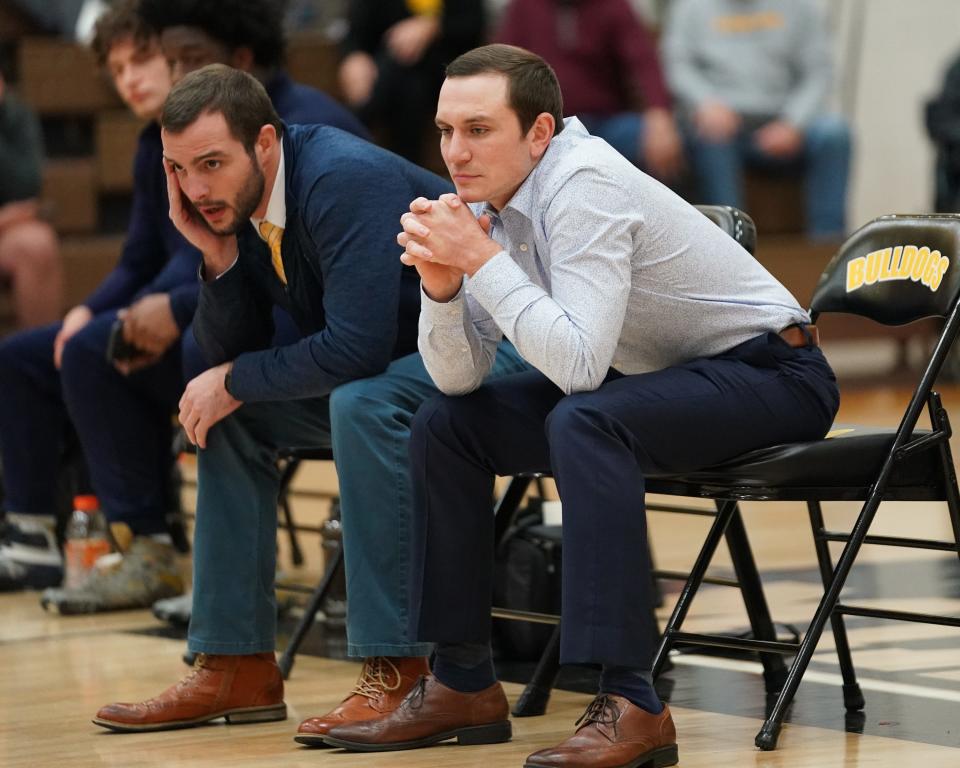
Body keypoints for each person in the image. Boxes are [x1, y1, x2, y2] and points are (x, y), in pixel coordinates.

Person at [319, 44, 840, 767]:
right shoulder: (488, 206)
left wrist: (481, 263)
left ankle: (633, 701)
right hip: (658, 378)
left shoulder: (583, 183)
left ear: (539, 132)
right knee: (445, 426)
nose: (455, 152)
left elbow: (578, 367)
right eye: (445, 131)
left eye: (478, 130)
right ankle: (462, 680)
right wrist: (443, 289)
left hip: (774, 373)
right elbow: (458, 380)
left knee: (585, 421)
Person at [91, 64, 528, 736]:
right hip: (420, 358)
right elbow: (233, 352)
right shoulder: (241, 204)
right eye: (180, 170)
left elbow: (354, 349)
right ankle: (235, 664)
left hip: (511, 342)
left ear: (265, 142)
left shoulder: (339, 179)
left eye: (211, 163)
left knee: (360, 401)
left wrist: (233, 379)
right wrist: (216, 257)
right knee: (232, 419)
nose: (197, 187)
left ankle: (400, 671)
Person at [0, 2, 194, 599]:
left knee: (90, 350)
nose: (130, 78)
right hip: (166, 304)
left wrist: (103, 321)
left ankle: (143, 538)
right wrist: (87, 309)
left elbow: (201, 258)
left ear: (182, 56)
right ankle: (31, 532)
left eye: (142, 60)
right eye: (116, 69)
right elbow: (138, 258)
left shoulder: (201, 138)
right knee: (24, 355)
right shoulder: (146, 144)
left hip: (206, 316)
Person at [663, 0, 851, 239]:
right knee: (709, 136)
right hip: (723, 123)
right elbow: (677, 65)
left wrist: (793, 122)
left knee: (835, 133)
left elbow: (818, 72)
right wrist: (705, 103)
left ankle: (828, 246)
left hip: (785, 119)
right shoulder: (689, 7)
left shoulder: (801, 7)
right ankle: (730, 244)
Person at [495, 0, 682, 181]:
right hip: (544, 125)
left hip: (606, 122)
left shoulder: (614, 5)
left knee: (653, 140)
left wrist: (659, 114)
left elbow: (644, 62)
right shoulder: (524, 6)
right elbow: (503, 66)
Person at [339, 0, 483, 166]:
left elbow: (472, 26)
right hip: (390, 77)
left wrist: (434, 26)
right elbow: (355, 34)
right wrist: (355, 58)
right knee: (408, 85)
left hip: (447, 75)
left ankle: (352, 133)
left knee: (405, 79)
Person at [0, 67, 62, 328]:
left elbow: (27, 187)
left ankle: (38, 362)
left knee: (36, 245)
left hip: (6, 227)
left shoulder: (15, 116)